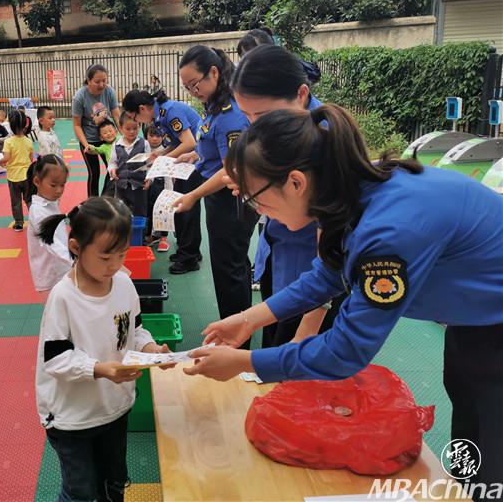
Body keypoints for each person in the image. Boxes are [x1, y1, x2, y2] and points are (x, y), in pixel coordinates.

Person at [186, 105, 503, 495]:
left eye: (256, 200)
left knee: (491, 436)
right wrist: (250, 319)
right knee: (472, 413)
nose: (259, 213)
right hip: (476, 319)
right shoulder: (351, 189)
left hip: (494, 325)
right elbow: (332, 271)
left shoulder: (389, 231)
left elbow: (347, 351)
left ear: (296, 183)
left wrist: (246, 362)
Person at [35, 196, 169, 502]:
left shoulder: (123, 284)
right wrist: (100, 369)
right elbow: (55, 360)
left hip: (114, 408)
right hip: (72, 418)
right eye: (106, 258)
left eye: (121, 256)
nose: (115, 266)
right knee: (80, 492)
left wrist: (149, 347)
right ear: (76, 248)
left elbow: (133, 329)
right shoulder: (64, 298)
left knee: (114, 483)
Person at [232, 44, 341, 347]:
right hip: (282, 262)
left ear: (302, 95)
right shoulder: (282, 133)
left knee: (299, 361)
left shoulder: (325, 145)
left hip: (312, 279)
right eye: (247, 115)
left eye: (264, 114)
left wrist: (307, 329)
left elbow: (330, 268)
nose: (257, 125)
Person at [172, 46, 258, 326]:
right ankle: (240, 324)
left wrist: (194, 195)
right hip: (220, 196)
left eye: (195, 84)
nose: (193, 91)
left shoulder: (231, 112)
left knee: (228, 269)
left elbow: (231, 168)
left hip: (229, 199)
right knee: (235, 263)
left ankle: (234, 336)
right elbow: (215, 148)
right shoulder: (214, 105)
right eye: (187, 87)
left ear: (214, 72)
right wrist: (194, 154)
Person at [121, 89, 202, 262]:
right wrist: (160, 154)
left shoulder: (170, 112)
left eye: (134, 117)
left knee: (187, 207)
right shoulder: (160, 114)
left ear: (142, 109)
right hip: (187, 161)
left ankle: (189, 256)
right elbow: (176, 143)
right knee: (182, 205)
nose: (136, 121)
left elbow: (189, 143)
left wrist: (163, 158)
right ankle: (187, 250)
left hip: (195, 161)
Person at [24, 154, 73, 292]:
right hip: (51, 277)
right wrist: (76, 261)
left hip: (63, 270)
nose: (59, 190)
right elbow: (50, 242)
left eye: (62, 185)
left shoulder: (51, 203)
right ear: (37, 181)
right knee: (55, 312)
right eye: (53, 185)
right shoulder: (38, 211)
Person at [72, 64, 121, 197]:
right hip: (89, 140)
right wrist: (86, 144)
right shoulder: (79, 97)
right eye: (97, 81)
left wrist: (124, 136)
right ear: (88, 81)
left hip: (108, 138)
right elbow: (77, 125)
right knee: (94, 173)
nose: (102, 84)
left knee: (114, 169)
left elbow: (116, 115)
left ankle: (107, 197)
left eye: (104, 80)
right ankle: (92, 203)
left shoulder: (109, 91)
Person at [108, 113, 150, 219]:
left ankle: (140, 234)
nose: (132, 131)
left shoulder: (144, 143)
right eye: (128, 129)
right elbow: (112, 162)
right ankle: (123, 234)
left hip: (139, 186)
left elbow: (150, 164)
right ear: (121, 128)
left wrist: (150, 178)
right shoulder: (116, 144)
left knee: (140, 213)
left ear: (139, 126)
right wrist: (112, 170)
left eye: (135, 128)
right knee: (120, 213)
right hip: (121, 186)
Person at [2, 110, 33, 232]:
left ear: (10, 125)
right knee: (29, 199)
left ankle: (19, 223)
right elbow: (31, 159)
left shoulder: (8, 142)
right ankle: (35, 218)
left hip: (13, 177)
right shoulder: (28, 141)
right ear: (25, 124)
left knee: (16, 201)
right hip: (26, 176)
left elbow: (6, 158)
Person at [144, 126, 170, 253]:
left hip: (161, 185)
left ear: (163, 137)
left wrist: (169, 190)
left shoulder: (166, 151)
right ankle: (150, 236)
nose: (154, 139)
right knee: (148, 210)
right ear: (146, 135)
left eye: (158, 136)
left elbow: (168, 174)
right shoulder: (143, 149)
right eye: (151, 135)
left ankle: (163, 238)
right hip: (146, 185)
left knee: (161, 211)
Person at [86, 120, 118, 197]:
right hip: (113, 175)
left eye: (110, 131)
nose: (109, 134)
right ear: (101, 138)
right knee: (108, 194)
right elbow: (97, 150)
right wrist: (91, 148)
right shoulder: (104, 147)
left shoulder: (121, 140)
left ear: (116, 132)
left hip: (124, 172)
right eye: (105, 133)